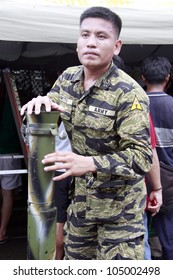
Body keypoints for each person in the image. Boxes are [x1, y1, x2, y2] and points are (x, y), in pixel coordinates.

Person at [21, 6, 153, 260]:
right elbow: (52, 112)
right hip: (81, 206)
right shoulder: (68, 79)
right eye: (85, 35)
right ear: (78, 40)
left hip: (120, 214)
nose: (91, 43)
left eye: (101, 37)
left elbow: (142, 158)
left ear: (116, 46)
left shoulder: (129, 93)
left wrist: (89, 163)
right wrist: (40, 106)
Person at [141, 55, 173, 260]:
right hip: (170, 178)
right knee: (169, 230)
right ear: (168, 78)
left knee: (139, 231)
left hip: (141, 178)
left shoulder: (135, 105)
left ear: (143, 78)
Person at [0, 88, 22, 244]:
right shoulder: (11, 104)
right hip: (8, 153)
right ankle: (1, 232)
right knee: (7, 194)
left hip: (7, 152)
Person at [54, 121, 72, 260]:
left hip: (58, 169)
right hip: (79, 168)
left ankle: (57, 260)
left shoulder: (53, 105)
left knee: (59, 219)